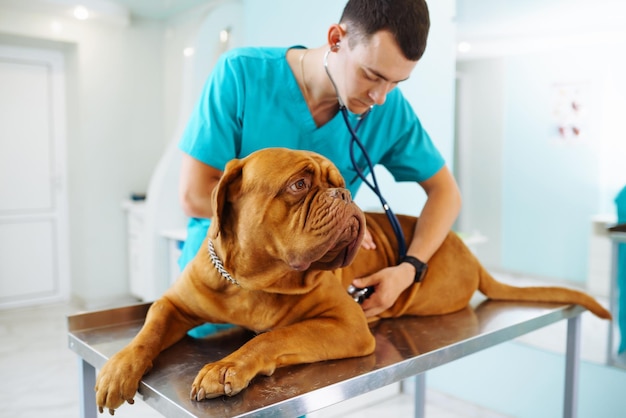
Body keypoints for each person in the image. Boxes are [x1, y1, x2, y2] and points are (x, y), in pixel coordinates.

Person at [178, 0, 461, 323]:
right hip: (222, 291)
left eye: (396, 82)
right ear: (336, 39)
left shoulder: (390, 111)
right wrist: (314, 229)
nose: (380, 97)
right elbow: (195, 194)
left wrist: (410, 267)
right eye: (371, 75)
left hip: (304, 305)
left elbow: (446, 193)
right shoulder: (242, 74)